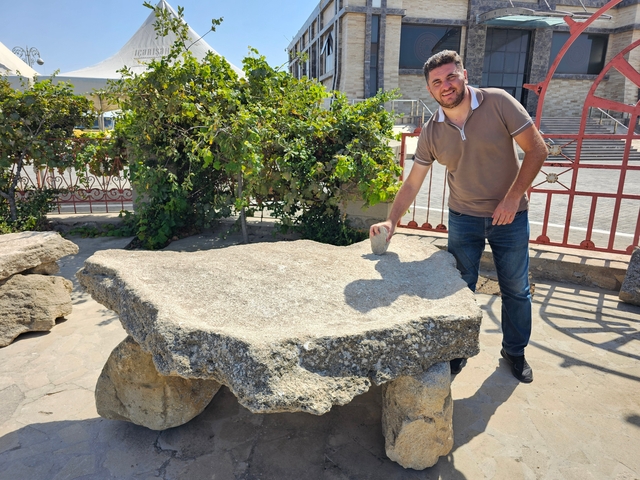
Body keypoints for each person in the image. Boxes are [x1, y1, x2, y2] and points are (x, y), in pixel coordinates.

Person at [370, 50, 548, 383]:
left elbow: (537, 149)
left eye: (451, 76)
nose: (445, 86)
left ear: (464, 74)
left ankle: (515, 351)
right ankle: (457, 352)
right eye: (437, 82)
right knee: (458, 290)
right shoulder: (432, 130)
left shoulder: (498, 102)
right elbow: (412, 183)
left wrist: (512, 198)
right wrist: (392, 220)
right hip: (463, 219)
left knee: (515, 291)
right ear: (430, 89)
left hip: (510, 217)